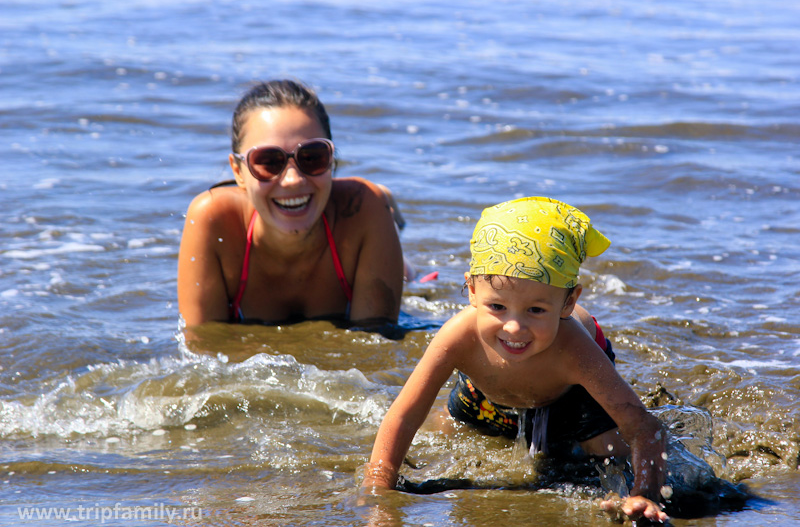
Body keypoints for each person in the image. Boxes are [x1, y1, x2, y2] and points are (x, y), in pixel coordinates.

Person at [362, 197, 669, 523]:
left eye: (536, 310)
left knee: (608, 457)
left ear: (568, 302)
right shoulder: (458, 336)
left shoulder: (576, 351)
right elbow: (404, 417)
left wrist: (645, 495)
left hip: (570, 395)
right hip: (487, 391)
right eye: (496, 307)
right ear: (471, 291)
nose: (514, 327)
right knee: (448, 432)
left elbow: (644, 428)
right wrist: (378, 491)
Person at [178, 80, 405, 327]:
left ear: (332, 161)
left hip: (364, 229)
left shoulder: (365, 208)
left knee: (407, 275)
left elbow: (377, 340)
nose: (292, 180)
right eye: (269, 161)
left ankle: (389, 215)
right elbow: (202, 346)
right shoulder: (211, 218)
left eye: (312, 157)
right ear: (238, 171)